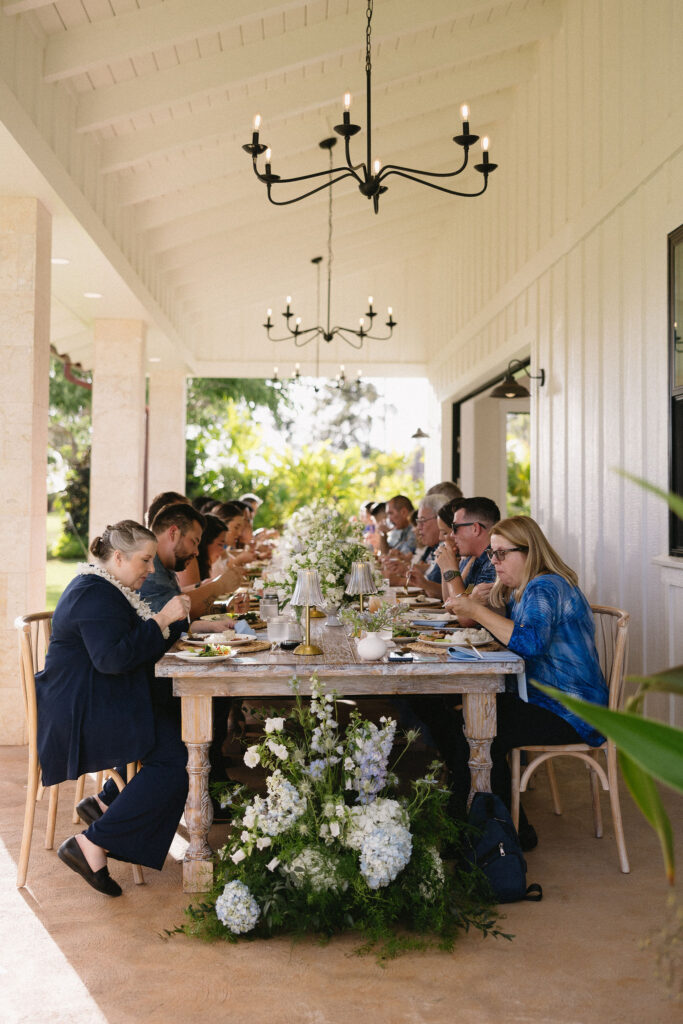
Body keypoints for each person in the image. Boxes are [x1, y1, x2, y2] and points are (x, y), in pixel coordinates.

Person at [35, 520, 191, 896]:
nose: (151, 569)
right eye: (145, 560)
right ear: (118, 557)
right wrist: (163, 619)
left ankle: (109, 803)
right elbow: (113, 659)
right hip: (81, 714)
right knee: (177, 759)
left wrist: (176, 626)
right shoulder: (93, 593)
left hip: (102, 698)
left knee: (178, 726)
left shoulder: (106, 587)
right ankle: (92, 841)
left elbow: (132, 648)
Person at [446, 515, 608, 846]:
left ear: (530, 551)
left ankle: (500, 831)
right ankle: (490, 822)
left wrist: (477, 612)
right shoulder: (526, 589)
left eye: (502, 553)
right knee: (468, 721)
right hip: (544, 700)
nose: (494, 562)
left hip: (571, 711)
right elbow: (512, 636)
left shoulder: (545, 586)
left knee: (478, 730)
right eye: (492, 554)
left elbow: (529, 643)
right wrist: (483, 603)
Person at [142, 503, 244, 624]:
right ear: (173, 533)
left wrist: (225, 606)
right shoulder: (149, 567)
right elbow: (175, 619)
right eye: (194, 542)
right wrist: (219, 586)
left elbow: (184, 609)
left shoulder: (164, 564)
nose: (196, 552)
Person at [437, 497, 499, 621]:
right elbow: (450, 606)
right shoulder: (475, 559)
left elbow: (466, 618)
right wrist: (446, 568)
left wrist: (450, 570)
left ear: (475, 528)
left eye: (455, 528)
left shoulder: (494, 561)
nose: (452, 535)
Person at [406, 492, 449, 596]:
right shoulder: (437, 546)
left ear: (440, 519)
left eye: (422, 521)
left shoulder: (451, 548)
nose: (418, 527)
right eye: (418, 521)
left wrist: (425, 584)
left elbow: (451, 597)